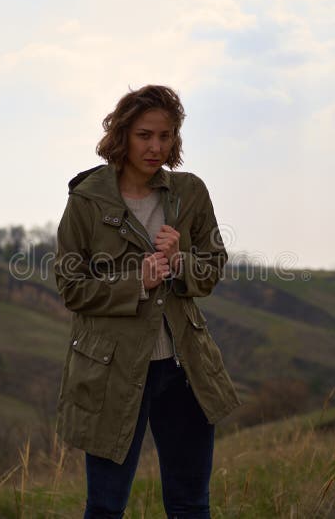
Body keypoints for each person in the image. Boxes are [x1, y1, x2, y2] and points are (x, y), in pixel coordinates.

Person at [53, 84, 241, 518]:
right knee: (105, 507)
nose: (157, 146)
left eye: (166, 135)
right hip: (110, 372)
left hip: (183, 368)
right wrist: (136, 281)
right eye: (144, 135)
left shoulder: (190, 193)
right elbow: (71, 287)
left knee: (191, 504)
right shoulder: (87, 199)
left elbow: (211, 269)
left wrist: (180, 261)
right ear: (121, 135)